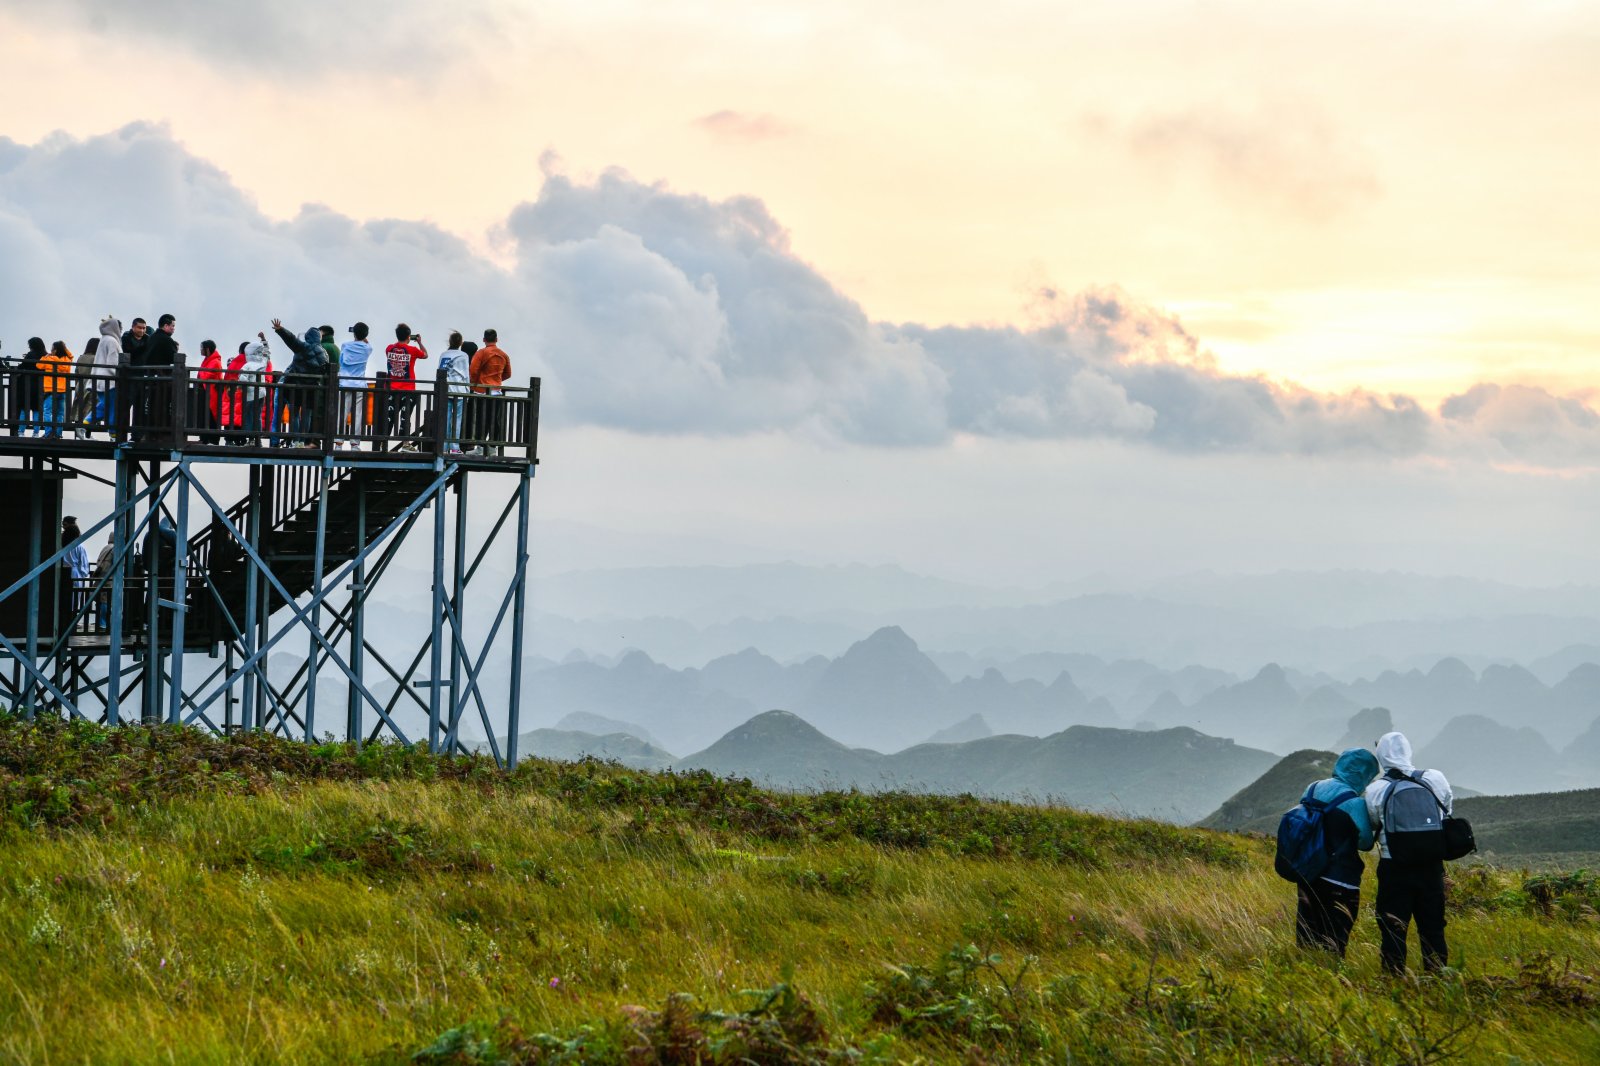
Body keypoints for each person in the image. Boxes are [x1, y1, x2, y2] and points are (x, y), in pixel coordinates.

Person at [1366, 731, 1454, 975]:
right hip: (1431, 866)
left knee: (1393, 927)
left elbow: (1373, 824)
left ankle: (1393, 978)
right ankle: (1436, 979)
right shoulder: (1434, 778)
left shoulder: (1376, 789)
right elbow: (1446, 811)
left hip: (1394, 867)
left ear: (1381, 755)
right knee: (1433, 927)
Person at [1290, 748, 1379, 957]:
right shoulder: (1354, 803)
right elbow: (1365, 843)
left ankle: (1303, 973)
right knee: (1334, 940)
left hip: (1308, 872)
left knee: (1307, 932)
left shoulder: (1312, 788)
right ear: (1363, 775)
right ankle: (1330, 975)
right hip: (1339, 879)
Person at [270, 319, 330, 445]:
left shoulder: (303, 347)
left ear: (307, 337)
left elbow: (291, 339)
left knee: (295, 414)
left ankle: (296, 440)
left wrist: (280, 330)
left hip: (296, 388)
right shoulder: (324, 354)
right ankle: (302, 441)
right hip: (311, 390)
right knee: (306, 416)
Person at [383, 323, 428, 449]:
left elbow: (396, 348)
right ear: (409, 337)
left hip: (391, 389)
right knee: (405, 417)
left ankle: (383, 443)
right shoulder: (412, 350)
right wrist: (419, 342)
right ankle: (405, 444)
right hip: (408, 390)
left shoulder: (389, 349)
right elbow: (425, 355)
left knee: (389, 417)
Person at [469, 328, 510, 455]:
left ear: (484, 340)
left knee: (481, 420)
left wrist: (475, 384)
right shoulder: (503, 355)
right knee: (494, 420)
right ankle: (492, 448)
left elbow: (473, 371)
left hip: (482, 392)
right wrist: (497, 381)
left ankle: (480, 448)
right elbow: (508, 374)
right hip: (497, 392)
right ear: (496, 339)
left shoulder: (481, 353)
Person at [228, 334, 273, 445]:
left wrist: (235, 389)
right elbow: (267, 354)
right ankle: (258, 439)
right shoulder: (262, 363)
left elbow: (243, 380)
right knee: (257, 416)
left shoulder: (247, 366)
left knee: (248, 417)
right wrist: (264, 340)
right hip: (261, 394)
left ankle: (251, 439)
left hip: (249, 396)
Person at [336, 322, 373, 447]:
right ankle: (355, 444)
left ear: (354, 333)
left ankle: (338, 442)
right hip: (359, 385)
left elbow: (341, 361)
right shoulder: (368, 348)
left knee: (342, 413)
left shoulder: (345, 345)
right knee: (358, 414)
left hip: (345, 382)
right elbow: (367, 343)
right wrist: (363, 338)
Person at [436, 331, 471, 453]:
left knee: (446, 419)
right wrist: (468, 390)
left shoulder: (443, 355)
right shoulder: (463, 356)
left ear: (450, 342)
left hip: (445, 390)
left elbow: (439, 371)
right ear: (460, 343)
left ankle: (444, 447)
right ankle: (454, 447)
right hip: (459, 391)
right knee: (457, 420)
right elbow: (466, 375)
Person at [38, 341, 75, 438]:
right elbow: (71, 356)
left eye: (52, 349)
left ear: (55, 350)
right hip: (62, 390)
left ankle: (49, 432)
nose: (50, 350)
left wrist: (45, 356)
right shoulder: (66, 360)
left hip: (50, 390)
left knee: (47, 412)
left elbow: (38, 365)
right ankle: (58, 434)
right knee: (60, 413)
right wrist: (64, 347)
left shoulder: (49, 359)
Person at [93, 316, 123, 434]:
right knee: (112, 408)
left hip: (99, 379)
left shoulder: (104, 339)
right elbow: (113, 362)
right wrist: (117, 376)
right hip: (109, 381)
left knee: (105, 405)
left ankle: (86, 422)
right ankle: (112, 432)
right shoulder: (112, 341)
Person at [61, 515, 91, 622]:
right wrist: (83, 574)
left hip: (61, 572)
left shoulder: (60, 544)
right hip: (75, 573)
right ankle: (72, 621)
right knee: (74, 599)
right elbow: (84, 566)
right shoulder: (79, 547)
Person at [195, 340, 225, 444]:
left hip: (212, 394)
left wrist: (201, 372)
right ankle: (204, 438)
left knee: (212, 416)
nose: (201, 350)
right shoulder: (209, 360)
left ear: (207, 349)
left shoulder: (215, 362)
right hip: (206, 392)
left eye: (202, 348)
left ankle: (213, 439)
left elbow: (205, 375)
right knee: (205, 415)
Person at [70, 338, 100, 438]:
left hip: (81, 385)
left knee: (79, 408)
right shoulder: (97, 358)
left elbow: (76, 372)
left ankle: (78, 434)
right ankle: (87, 434)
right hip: (92, 384)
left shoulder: (81, 357)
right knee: (90, 408)